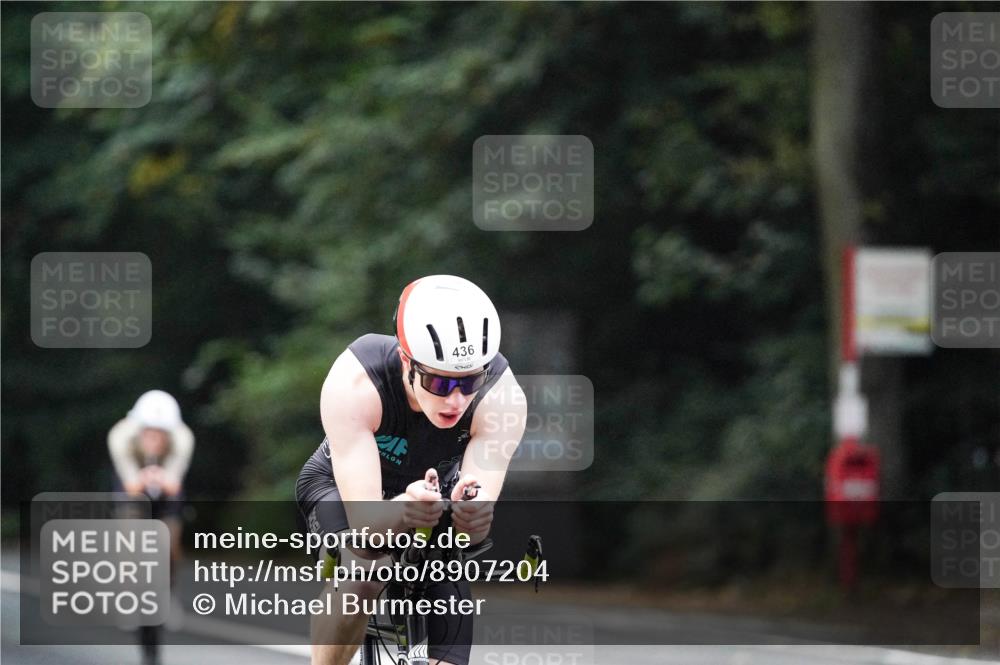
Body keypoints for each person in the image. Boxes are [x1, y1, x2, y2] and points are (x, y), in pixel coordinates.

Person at [296, 275, 527, 665]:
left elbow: (473, 535)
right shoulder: (357, 381)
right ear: (407, 361)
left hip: (436, 493)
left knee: (448, 566)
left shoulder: (502, 398)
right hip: (341, 488)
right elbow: (366, 524)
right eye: (439, 382)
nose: (457, 400)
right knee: (362, 575)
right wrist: (403, 507)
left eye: (471, 380)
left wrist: (471, 514)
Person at [108, 389, 194, 665]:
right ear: (139, 431)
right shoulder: (120, 437)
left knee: (171, 537)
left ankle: (168, 588)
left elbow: (174, 483)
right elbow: (131, 484)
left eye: (160, 434)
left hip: (165, 483)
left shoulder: (183, 440)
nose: (154, 439)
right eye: (149, 433)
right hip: (134, 479)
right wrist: (142, 479)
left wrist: (163, 479)